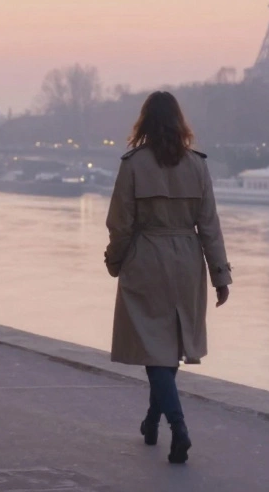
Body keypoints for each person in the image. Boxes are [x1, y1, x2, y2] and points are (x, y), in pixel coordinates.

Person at [104, 91, 232, 464]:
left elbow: (120, 225)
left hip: (146, 258)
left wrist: (115, 262)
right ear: (180, 123)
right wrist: (220, 275)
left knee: (153, 346)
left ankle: (178, 426)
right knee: (169, 345)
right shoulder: (197, 165)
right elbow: (209, 225)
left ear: (144, 121)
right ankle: (151, 421)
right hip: (188, 261)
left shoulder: (132, 165)